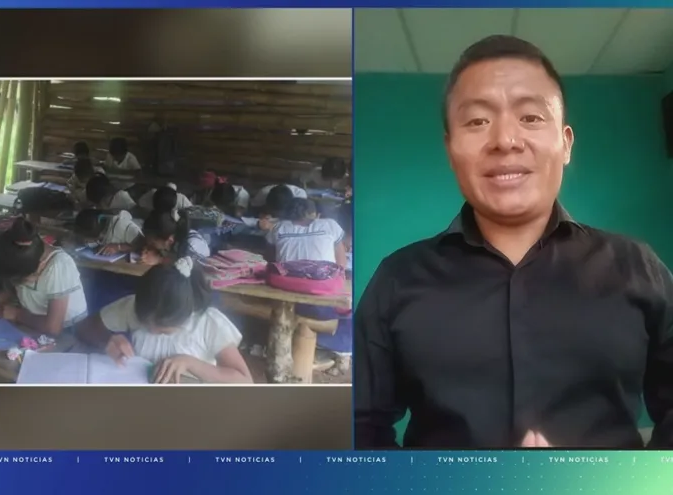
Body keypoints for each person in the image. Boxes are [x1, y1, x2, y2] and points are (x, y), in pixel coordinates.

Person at [354, 35, 673, 449]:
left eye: (531, 118)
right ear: (450, 150)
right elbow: (359, 425)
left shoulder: (637, 266)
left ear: (566, 144)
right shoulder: (397, 278)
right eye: (477, 121)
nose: (505, 140)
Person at [75, 257, 252, 384]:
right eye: (145, 324)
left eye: (162, 331)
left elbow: (244, 380)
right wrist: (107, 340)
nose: (151, 331)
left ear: (185, 317)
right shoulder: (134, 307)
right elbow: (85, 328)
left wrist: (190, 363)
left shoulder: (207, 323)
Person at [0, 218, 88, 336]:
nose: (20, 284)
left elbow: (53, 327)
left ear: (41, 264)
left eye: (21, 280)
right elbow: (12, 288)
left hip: (68, 331)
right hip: (33, 322)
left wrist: (16, 314)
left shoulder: (58, 266)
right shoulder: (23, 258)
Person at [266, 198, 347, 267]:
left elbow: (271, 260)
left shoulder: (278, 227)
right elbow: (341, 265)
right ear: (314, 214)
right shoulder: (329, 224)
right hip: (324, 282)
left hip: (286, 281)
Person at [140, 210, 210, 266]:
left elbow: (184, 272)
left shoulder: (190, 247)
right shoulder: (173, 236)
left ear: (169, 240)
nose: (150, 244)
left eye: (153, 243)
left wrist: (159, 260)